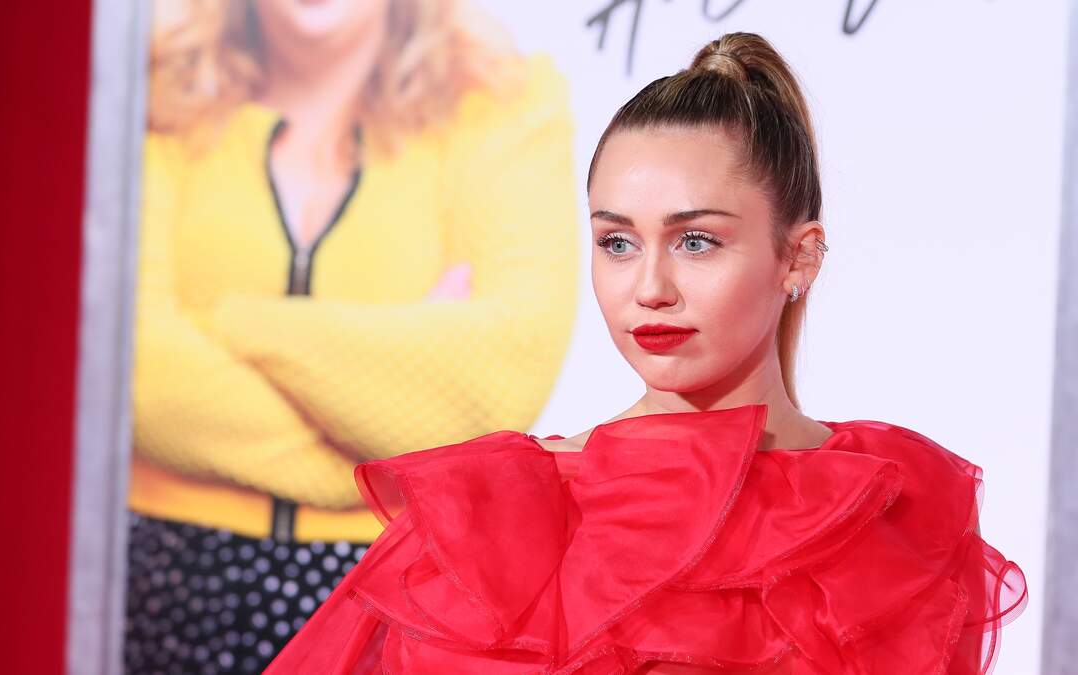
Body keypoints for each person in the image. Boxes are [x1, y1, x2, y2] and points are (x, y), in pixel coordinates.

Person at [258, 31, 1029, 674]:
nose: (650, 288)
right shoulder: (490, 522)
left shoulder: (904, 520)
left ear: (798, 257)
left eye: (696, 241)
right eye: (618, 243)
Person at [124, 0, 579, 673]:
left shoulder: (500, 100)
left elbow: (502, 378)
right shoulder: (156, 90)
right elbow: (136, 374)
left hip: (397, 598)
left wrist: (233, 322)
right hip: (162, 588)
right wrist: (386, 437)